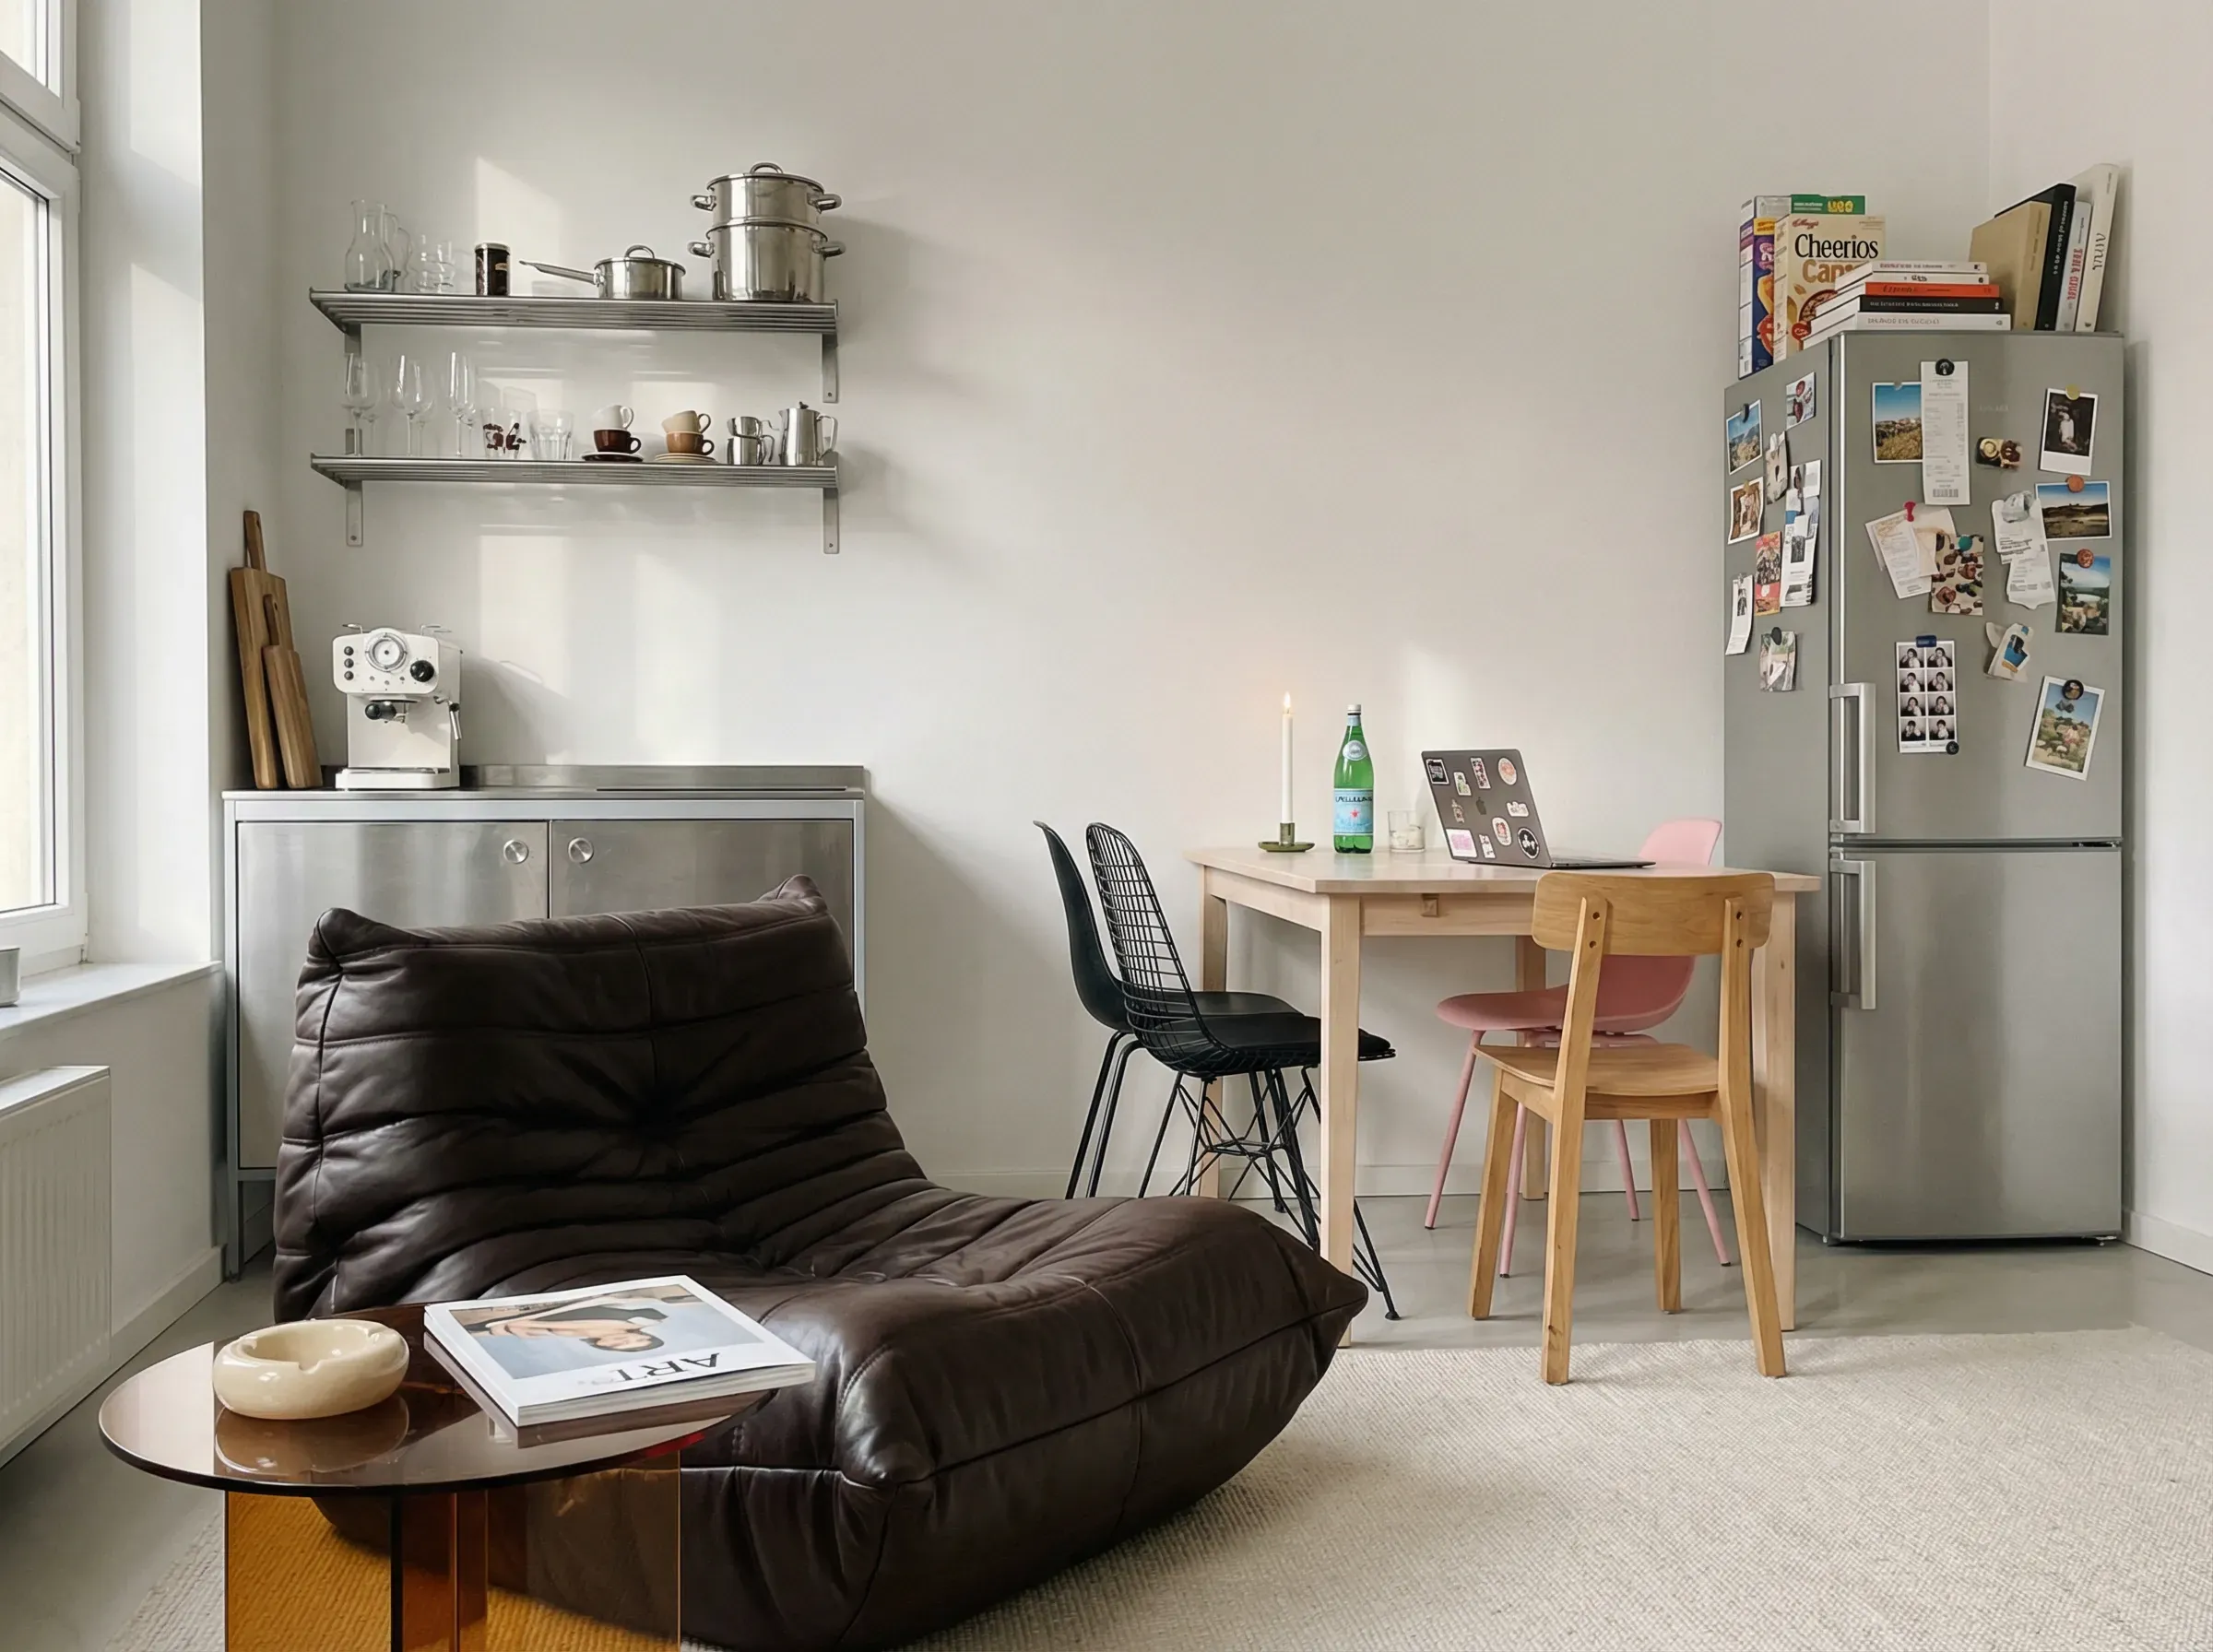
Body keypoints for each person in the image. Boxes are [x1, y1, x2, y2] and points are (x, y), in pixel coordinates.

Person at [468, 1293, 673, 1353]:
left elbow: (529, 1329)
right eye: (632, 1341)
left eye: (625, 1347)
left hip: (508, 1323)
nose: (621, 1342)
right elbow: (532, 1324)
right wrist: (519, 1326)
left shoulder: (595, 1335)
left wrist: (516, 1330)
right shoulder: (619, 1325)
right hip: (519, 1314)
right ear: (642, 1334)